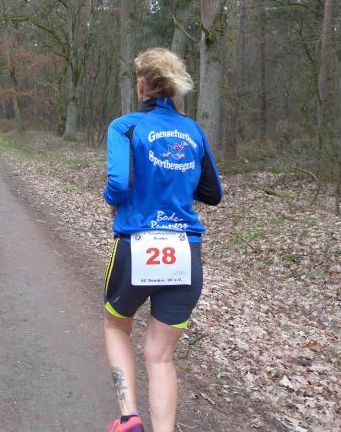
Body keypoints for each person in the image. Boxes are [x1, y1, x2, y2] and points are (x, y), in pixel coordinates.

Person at [102, 48, 222, 431]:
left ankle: (129, 418)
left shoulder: (125, 126)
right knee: (160, 356)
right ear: (174, 88)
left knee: (116, 326)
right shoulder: (193, 131)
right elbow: (213, 192)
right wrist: (174, 182)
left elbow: (119, 183)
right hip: (186, 250)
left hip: (136, 244)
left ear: (142, 86)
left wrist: (110, 199)